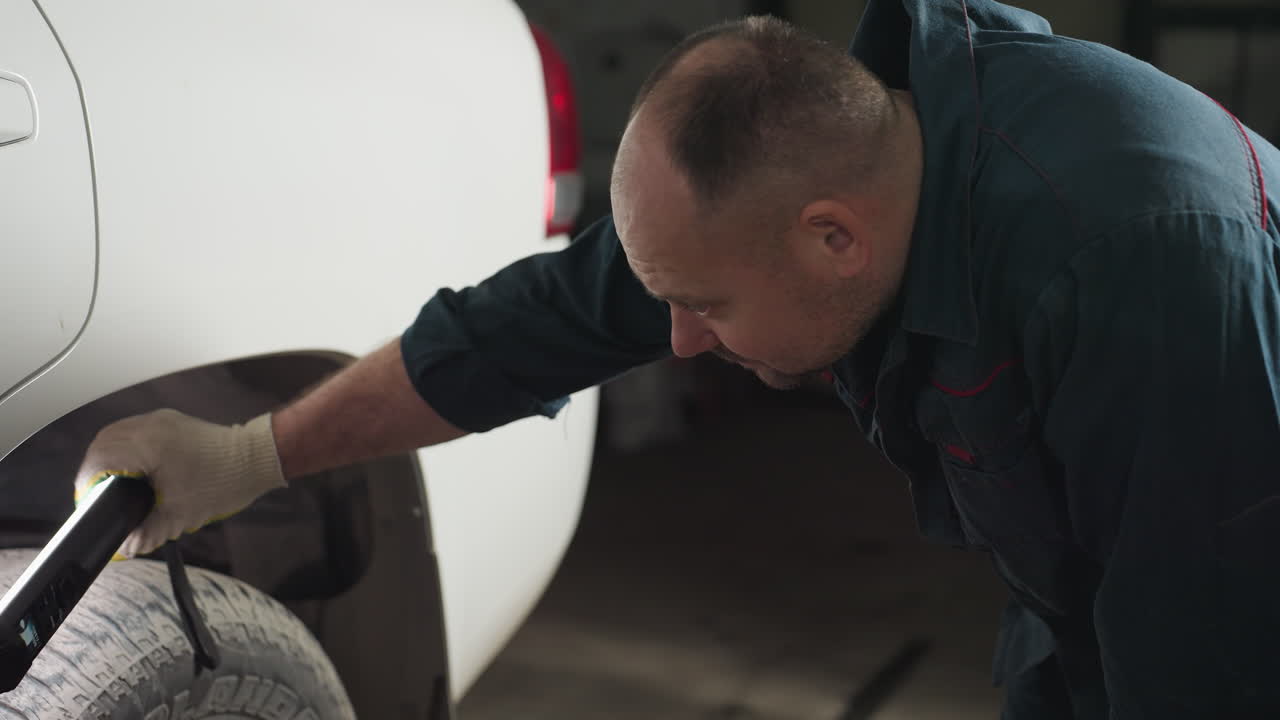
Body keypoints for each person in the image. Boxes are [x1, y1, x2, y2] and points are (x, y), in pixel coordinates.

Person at [76, 0, 1280, 716]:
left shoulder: (1139, 271)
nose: (678, 340)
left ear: (832, 241)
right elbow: (523, 330)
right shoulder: (814, 169)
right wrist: (245, 453)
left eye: (703, 306)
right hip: (1083, 571)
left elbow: (1201, 653)